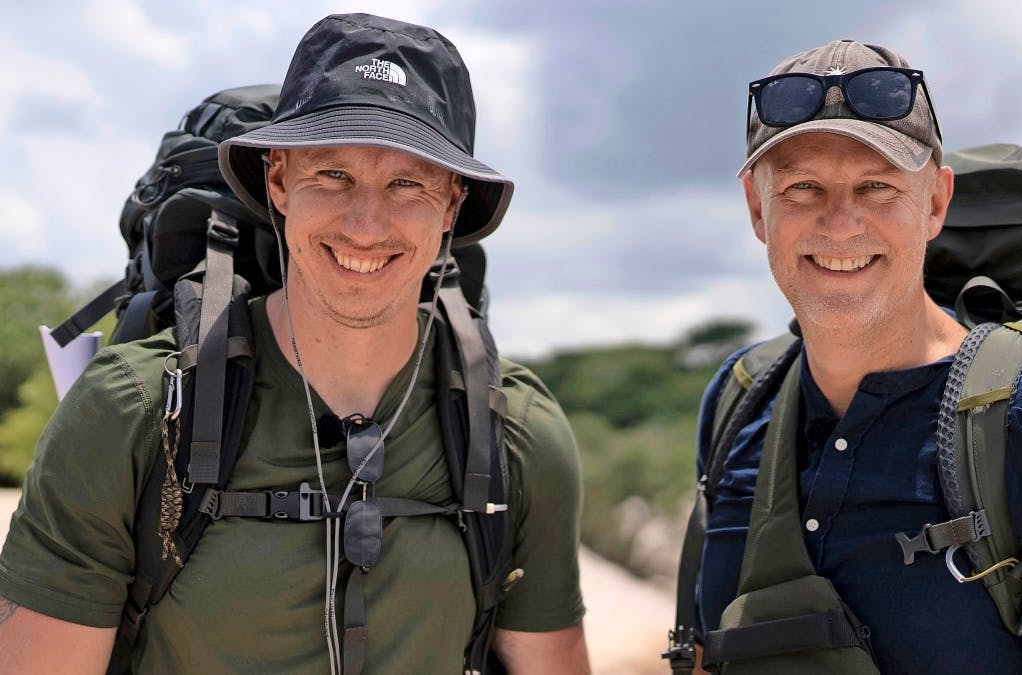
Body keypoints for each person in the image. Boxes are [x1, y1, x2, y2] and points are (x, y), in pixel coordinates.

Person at [0, 14, 590, 674]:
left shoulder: (517, 431)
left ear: (451, 205)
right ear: (277, 180)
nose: (365, 225)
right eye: (333, 175)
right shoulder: (130, 413)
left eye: (406, 183)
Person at [688, 39, 1022, 673]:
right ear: (757, 208)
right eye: (802, 188)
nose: (840, 223)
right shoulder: (739, 404)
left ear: (934, 201)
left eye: (876, 186)